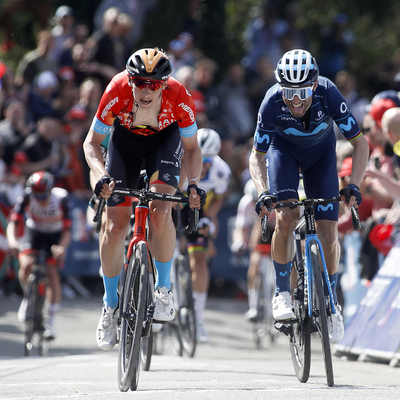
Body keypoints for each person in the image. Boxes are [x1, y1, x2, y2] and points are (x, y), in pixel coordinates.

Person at [83, 47, 205, 351]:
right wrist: (100, 176)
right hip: (124, 144)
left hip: (164, 144)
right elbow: (92, 143)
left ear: (164, 83)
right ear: (130, 79)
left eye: (153, 84)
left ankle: (164, 289)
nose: (146, 90)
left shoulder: (180, 96)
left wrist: (192, 184)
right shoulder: (117, 89)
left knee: (161, 210)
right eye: (139, 82)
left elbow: (192, 149)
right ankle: (110, 305)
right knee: (114, 225)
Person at [249, 49, 370, 343]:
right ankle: (282, 293)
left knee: (329, 232)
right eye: (289, 91)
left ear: (314, 85)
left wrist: (353, 184)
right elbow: (256, 156)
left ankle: (330, 302)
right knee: (285, 217)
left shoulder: (328, 92)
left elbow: (360, 144)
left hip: (321, 157)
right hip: (284, 154)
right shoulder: (271, 101)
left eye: (302, 91)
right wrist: (263, 191)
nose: (295, 99)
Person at [179, 128, 231, 342]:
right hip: (175, 205)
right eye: (202, 158)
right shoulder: (179, 164)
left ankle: (197, 318)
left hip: (199, 208)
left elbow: (218, 197)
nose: (205, 164)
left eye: (209, 160)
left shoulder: (221, 172)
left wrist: (210, 217)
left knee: (199, 262)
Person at [6, 171, 72, 339]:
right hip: (34, 231)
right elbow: (13, 223)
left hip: (55, 235)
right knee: (26, 264)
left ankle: (51, 320)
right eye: (38, 197)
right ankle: (28, 298)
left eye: (44, 196)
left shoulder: (61, 199)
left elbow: (67, 231)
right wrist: (13, 242)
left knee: (52, 272)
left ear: (50, 191)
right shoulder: (27, 196)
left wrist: (62, 248)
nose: (41, 201)